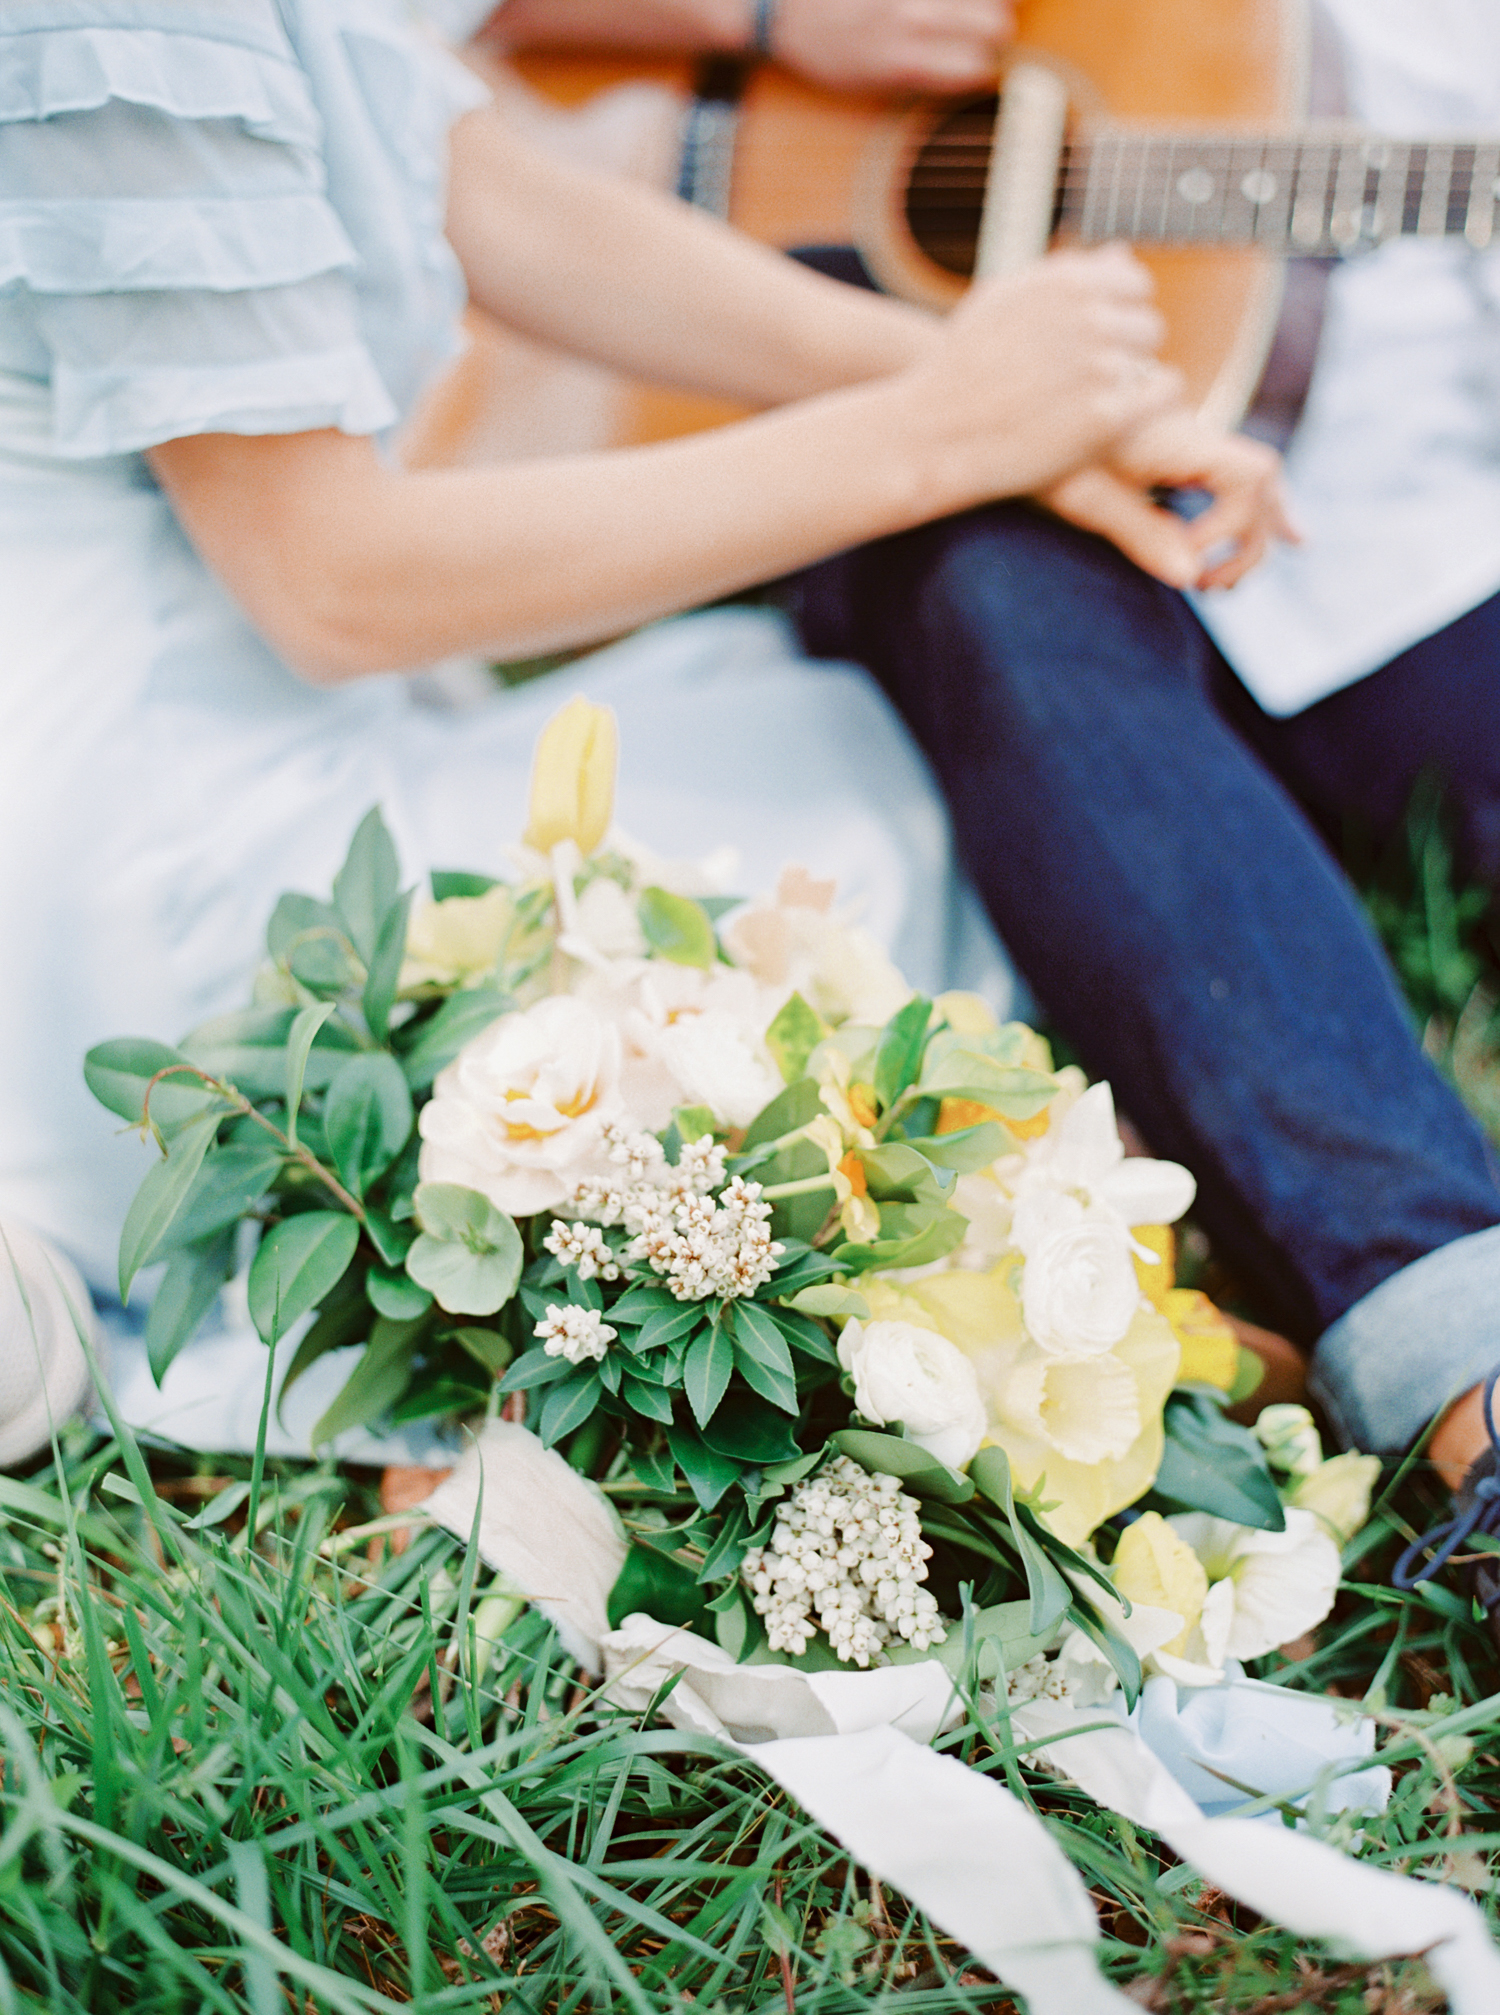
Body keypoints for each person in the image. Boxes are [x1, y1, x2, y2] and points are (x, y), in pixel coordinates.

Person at [0, 0, 1283, 1461]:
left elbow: (488, 194)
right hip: (144, 858)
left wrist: (1029, 406)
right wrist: (947, 432)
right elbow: (331, 581)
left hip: (272, 719)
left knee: (850, 777)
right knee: (859, 851)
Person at [486, 0, 1500, 1532]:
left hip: (1430, 548)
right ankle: (1464, 1360)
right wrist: (759, 15)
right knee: (989, 584)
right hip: (946, 463)